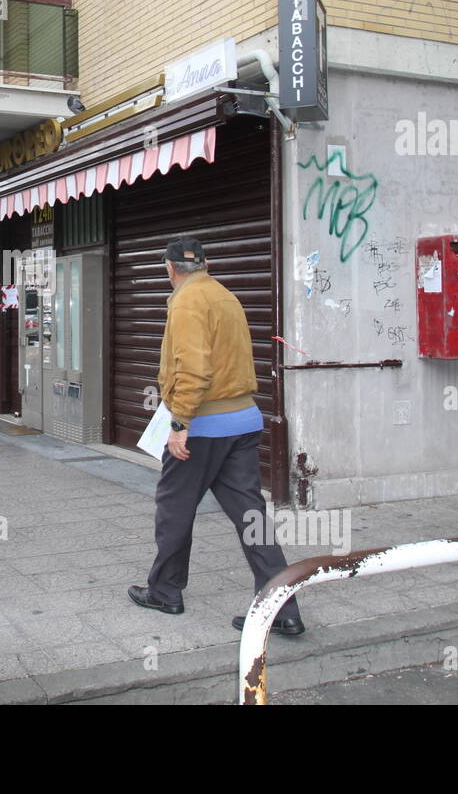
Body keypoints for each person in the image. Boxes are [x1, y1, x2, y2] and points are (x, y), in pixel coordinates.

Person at [128, 237, 305, 636]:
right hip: (243, 419)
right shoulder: (226, 296)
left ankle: (165, 592)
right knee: (251, 515)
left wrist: (179, 424)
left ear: (170, 269)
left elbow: (193, 369)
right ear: (205, 264)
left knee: (174, 508)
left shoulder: (187, 302)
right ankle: (283, 608)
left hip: (203, 425)